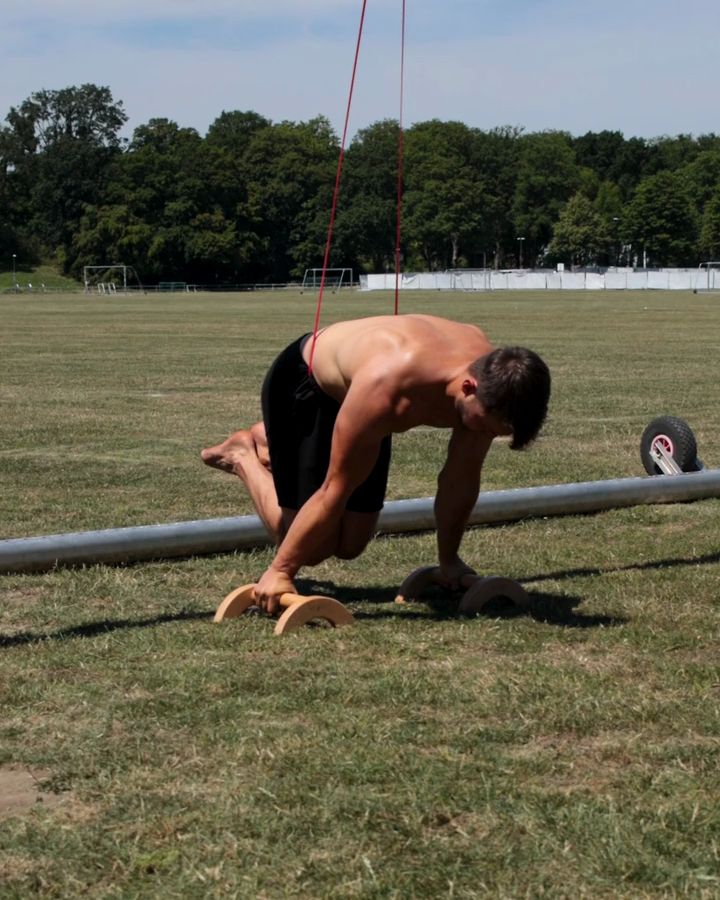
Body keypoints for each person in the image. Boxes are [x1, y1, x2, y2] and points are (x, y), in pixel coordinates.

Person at [201, 314, 550, 613]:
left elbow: (459, 479)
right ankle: (243, 454)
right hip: (307, 383)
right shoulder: (389, 390)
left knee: (351, 545)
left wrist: (449, 561)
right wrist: (281, 570)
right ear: (468, 387)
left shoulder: (495, 387)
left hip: (360, 387)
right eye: (485, 426)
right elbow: (335, 487)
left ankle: (269, 444)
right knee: (316, 548)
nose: (485, 434)